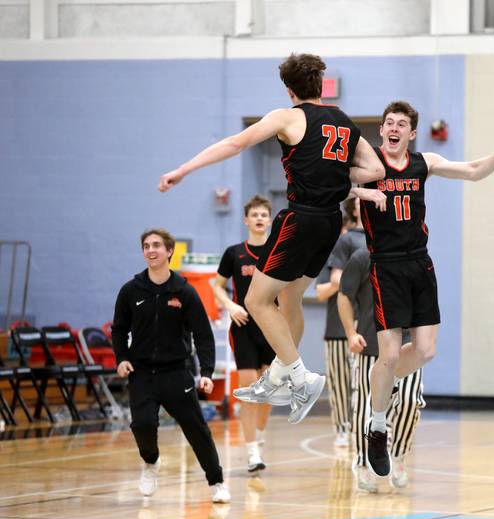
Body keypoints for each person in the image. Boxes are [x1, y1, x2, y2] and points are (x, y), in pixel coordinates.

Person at [158, 53, 386, 424]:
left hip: (301, 218)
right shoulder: (344, 122)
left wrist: (184, 169)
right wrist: (338, 179)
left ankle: (300, 376)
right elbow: (375, 168)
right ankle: (279, 374)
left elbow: (235, 144)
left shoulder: (286, 116)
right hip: (329, 222)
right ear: (320, 85)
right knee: (289, 297)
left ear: (290, 89)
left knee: (255, 299)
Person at [360, 100, 494, 477]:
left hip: (419, 263)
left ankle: (385, 382)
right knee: (389, 355)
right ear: (381, 130)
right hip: (385, 266)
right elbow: (327, 187)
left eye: (402, 123)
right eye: (389, 123)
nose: (394, 128)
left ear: (411, 133)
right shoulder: (367, 164)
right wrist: (365, 193)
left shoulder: (424, 162)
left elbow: (474, 171)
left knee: (426, 352)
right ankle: (377, 425)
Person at [111, 228, 230, 503]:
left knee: (197, 430)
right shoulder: (130, 291)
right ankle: (151, 463)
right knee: (142, 424)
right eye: (146, 246)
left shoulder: (184, 291)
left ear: (169, 251)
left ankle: (217, 482)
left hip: (177, 372)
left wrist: (207, 372)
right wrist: (122, 358)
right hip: (141, 374)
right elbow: (118, 329)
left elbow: (202, 334)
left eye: (156, 245)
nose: (150, 250)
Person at [338, 246, 424, 491]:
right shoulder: (362, 257)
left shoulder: (414, 256)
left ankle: (398, 455)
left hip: (406, 345)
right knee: (366, 407)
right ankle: (364, 463)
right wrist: (350, 333)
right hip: (370, 343)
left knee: (409, 400)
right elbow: (344, 295)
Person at [212, 195, 275, 473]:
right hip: (243, 327)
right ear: (246, 220)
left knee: (267, 392)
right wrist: (230, 305)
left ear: (270, 220)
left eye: (264, 214)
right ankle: (251, 451)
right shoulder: (234, 253)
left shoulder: (278, 252)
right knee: (250, 390)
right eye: (255, 215)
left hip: (272, 327)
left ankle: (259, 435)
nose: (260, 219)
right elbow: (217, 286)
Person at [315, 198, 366, 449]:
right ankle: (343, 429)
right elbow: (330, 285)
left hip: (370, 322)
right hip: (339, 324)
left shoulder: (384, 237)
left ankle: (367, 427)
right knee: (340, 380)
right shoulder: (345, 241)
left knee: (368, 379)